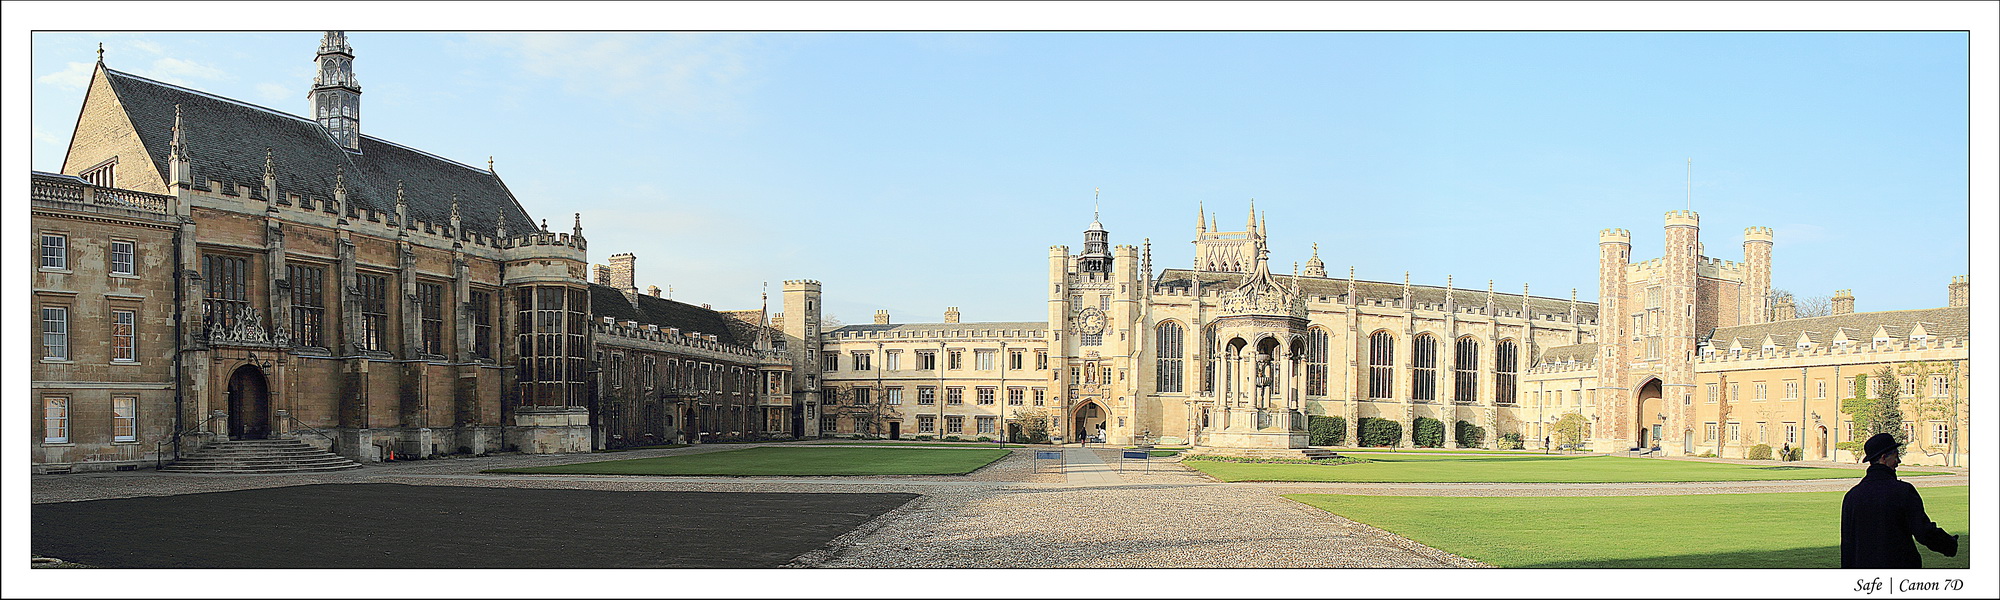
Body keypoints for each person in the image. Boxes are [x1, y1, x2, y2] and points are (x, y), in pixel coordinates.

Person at [1840, 433, 1957, 568]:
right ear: (1884, 458)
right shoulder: (1903, 491)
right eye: (1896, 456)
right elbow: (1923, 531)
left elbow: (1847, 545)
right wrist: (1949, 545)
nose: (1898, 461)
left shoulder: (1852, 496)